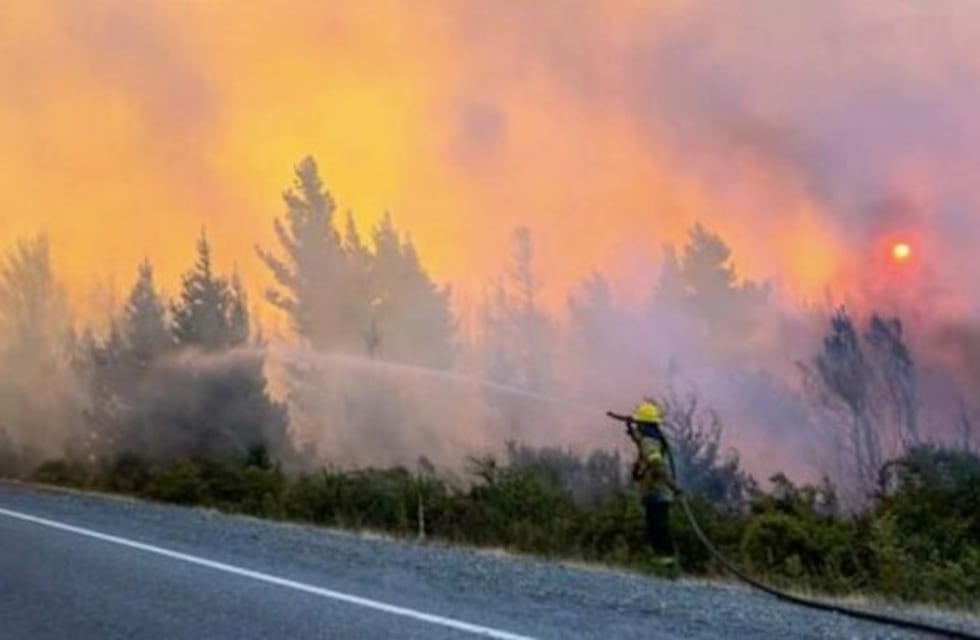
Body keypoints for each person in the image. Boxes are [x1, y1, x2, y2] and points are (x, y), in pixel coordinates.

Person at [626, 400, 682, 568]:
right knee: (656, 526)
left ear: (643, 424)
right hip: (656, 492)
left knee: (658, 527)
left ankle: (666, 562)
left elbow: (657, 466)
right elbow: (640, 442)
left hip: (657, 491)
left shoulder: (649, 442)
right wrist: (631, 431)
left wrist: (674, 486)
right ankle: (663, 562)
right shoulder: (651, 440)